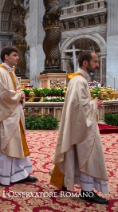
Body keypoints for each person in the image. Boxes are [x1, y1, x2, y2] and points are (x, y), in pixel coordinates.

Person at [50, 50, 109, 204]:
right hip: (83, 127)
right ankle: (87, 192)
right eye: (95, 62)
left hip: (81, 125)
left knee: (79, 156)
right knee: (87, 156)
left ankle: (81, 187)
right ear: (85, 62)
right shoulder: (79, 81)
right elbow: (79, 107)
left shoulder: (79, 79)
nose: (97, 65)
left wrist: (91, 103)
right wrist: (94, 104)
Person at [0, 46, 37, 186]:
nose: (18, 58)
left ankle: (20, 173)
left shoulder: (11, 73)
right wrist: (18, 95)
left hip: (14, 115)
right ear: (6, 56)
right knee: (5, 146)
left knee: (17, 144)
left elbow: (15, 91)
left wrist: (20, 94)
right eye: (15, 55)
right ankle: (1, 176)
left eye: (17, 55)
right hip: (3, 117)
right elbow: (0, 95)